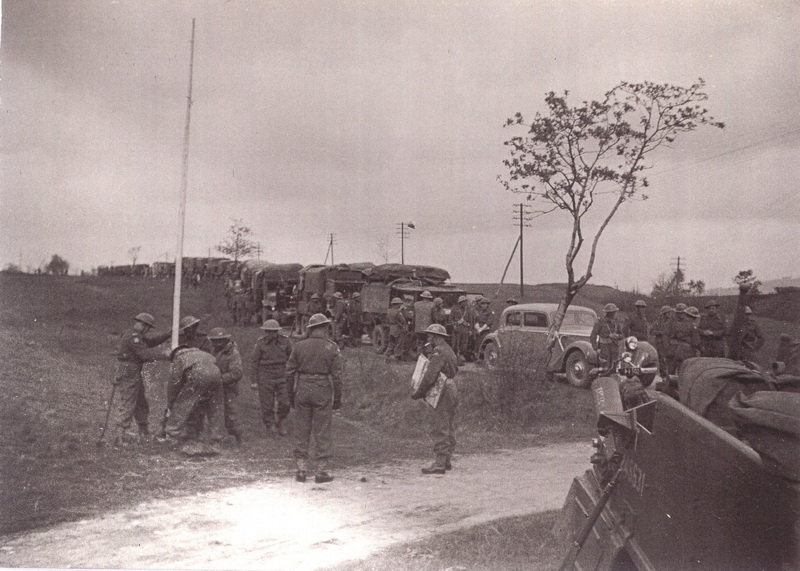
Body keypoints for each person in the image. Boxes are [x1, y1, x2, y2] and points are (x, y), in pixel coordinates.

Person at [286, 313, 343, 484]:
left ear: (310, 328)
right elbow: (338, 377)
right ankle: (321, 471)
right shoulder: (331, 347)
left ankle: (301, 470)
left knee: (301, 428)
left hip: (302, 388)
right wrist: (337, 398)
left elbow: (289, 373)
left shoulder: (298, 346)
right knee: (322, 429)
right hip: (322, 389)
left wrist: (291, 395)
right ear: (325, 328)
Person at [112, 313, 171, 446]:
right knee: (128, 402)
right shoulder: (133, 337)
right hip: (129, 371)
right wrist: (165, 355)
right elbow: (145, 354)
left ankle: (144, 432)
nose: (148, 331)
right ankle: (119, 437)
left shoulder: (136, 335)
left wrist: (168, 335)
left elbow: (150, 343)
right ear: (143, 326)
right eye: (148, 328)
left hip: (132, 371)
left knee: (141, 403)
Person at [411, 324, 459, 474]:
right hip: (451, 386)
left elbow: (430, 376)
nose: (428, 338)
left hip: (442, 388)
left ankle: (439, 463)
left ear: (436, 337)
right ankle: (446, 460)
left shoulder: (438, 352)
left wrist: (419, 392)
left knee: (440, 426)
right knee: (448, 426)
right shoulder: (448, 350)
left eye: (430, 336)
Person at [163, 345, 224, 446]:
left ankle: (172, 435)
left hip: (199, 373)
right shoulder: (204, 354)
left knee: (182, 404)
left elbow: (174, 382)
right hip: (217, 374)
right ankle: (216, 438)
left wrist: (171, 402)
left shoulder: (180, 357)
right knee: (215, 407)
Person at [250, 319, 293, 436]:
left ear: (277, 332)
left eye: (273, 332)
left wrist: (292, 373)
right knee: (267, 404)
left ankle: (281, 421)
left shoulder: (286, 341)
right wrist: (253, 380)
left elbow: (292, 358)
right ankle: (269, 424)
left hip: (282, 374)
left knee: (285, 402)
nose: (270, 334)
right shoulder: (260, 343)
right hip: (265, 375)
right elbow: (254, 362)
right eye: (268, 332)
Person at [209, 327, 243, 444]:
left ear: (225, 340)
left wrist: (218, 379)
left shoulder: (233, 353)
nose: (216, 343)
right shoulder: (213, 351)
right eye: (214, 340)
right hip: (215, 387)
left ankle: (237, 436)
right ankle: (216, 437)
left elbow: (236, 373)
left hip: (228, 387)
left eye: (219, 340)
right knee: (214, 412)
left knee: (231, 413)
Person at [665, 303, 700, 377]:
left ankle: (671, 385)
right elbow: (696, 342)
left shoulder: (678, 323)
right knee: (684, 370)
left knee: (675, 369)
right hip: (686, 350)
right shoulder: (692, 326)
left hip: (676, 348)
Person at [651, 306, 674, 377]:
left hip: (669, 343)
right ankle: (663, 376)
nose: (670, 314)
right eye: (669, 312)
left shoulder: (672, 321)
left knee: (670, 360)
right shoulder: (658, 322)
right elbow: (651, 331)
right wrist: (659, 332)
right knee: (662, 360)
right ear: (665, 313)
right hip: (660, 343)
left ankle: (670, 376)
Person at [449, 295, 473, 363]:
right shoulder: (454, 309)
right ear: (461, 302)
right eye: (464, 302)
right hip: (457, 329)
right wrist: (456, 323)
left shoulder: (468, 310)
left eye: (466, 301)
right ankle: (455, 357)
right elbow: (450, 320)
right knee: (455, 344)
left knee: (464, 344)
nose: (466, 303)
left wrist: (470, 330)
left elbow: (471, 321)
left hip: (465, 329)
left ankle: (461, 356)